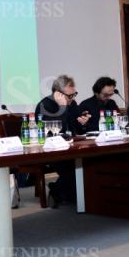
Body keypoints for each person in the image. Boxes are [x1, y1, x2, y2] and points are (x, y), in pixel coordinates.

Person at [35, 75, 90, 208]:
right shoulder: (44, 105)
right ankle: (57, 190)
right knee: (72, 166)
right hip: (51, 150)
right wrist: (63, 108)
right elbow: (54, 132)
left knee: (89, 162)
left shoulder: (72, 103)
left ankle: (69, 192)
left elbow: (77, 129)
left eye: (74, 94)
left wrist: (83, 123)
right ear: (57, 93)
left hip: (71, 146)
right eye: (70, 95)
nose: (73, 98)